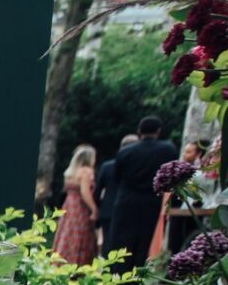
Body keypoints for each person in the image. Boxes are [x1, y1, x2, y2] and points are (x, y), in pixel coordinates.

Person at [102, 116, 179, 275]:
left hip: (126, 199)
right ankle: (136, 274)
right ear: (158, 131)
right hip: (152, 199)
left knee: (121, 238)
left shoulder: (125, 151)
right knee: (144, 239)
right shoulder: (168, 149)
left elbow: (117, 177)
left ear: (139, 131)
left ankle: (118, 273)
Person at [52, 145, 98, 263]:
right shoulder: (86, 171)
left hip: (69, 204)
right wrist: (94, 209)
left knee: (67, 232)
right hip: (80, 207)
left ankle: (60, 261)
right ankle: (77, 262)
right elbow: (85, 192)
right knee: (80, 233)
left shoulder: (70, 172)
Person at [95, 133, 137, 251]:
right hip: (130, 210)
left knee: (108, 243)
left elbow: (97, 190)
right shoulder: (137, 168)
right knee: (126, 245)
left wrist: (99, 206)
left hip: (108, 209)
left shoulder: (107, 166)